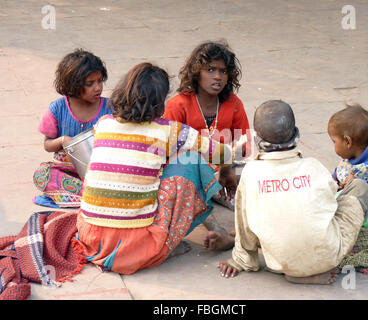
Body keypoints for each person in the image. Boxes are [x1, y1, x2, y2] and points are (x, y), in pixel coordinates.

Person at [75, 62, 234, 275]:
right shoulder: (169, 131)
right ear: (160, 102)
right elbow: (222, 154)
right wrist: (228, 169)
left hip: (90, 238)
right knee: (190, 161)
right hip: (135, 248)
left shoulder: (103, 123)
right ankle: (166, 243)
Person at [218, 100, 368, 285]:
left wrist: (241, 259)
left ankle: (295, 269)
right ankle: (312, 267)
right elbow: (331, 202)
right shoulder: (314, 166)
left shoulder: (250, 173)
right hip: (328, 256)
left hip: (281, 261)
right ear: (296, 135)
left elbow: (244, 223)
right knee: (361, 188)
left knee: (265, 214)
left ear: (257, 139)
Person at [163, 40, 251, 251]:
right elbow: (168, 151)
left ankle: (242, 228)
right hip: (190, 173)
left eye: (223, 71)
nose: (218, 76)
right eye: (210, 70)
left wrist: (227, 167)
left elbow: (245, 145)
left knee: (258, 175)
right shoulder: (178, 105)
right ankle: (217, 229)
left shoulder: (233, 103)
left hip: (225, 171)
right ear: (196, 72)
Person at [33, 49, 112, 208]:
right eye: (90, 84)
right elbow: (47, 145)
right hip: (67, 171)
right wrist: (63, 141)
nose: (98, 88)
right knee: (42, 175)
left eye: (100, 81)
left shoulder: (110, 108)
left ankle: (77, 198)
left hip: (100, 171)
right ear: (73, 85)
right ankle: (92, 197)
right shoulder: (58, 108)